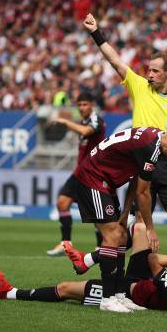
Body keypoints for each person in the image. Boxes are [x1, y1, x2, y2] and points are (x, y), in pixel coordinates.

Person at [84, 14, 167, 277]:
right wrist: (96, 32)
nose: (149, 74)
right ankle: (129, 277)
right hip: (141, 167)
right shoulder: (140, 87)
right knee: (139, 226)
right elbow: (114, 59)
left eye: (155, 70)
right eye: (149, 69)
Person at [0, 221, 167, 313]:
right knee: (140, 228)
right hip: (141, 278)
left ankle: (10, 293)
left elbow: (153, 261)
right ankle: (87, 259)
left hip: (125, 290)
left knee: (67, 289)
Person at [72, 126, 167, 312]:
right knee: (113, 236)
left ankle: (119, 294)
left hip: (106, 182)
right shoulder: (151, 148)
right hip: (92, 179)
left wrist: (126, 210)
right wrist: (150, 229)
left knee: (121, 235)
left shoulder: (156, 141)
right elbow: (143, 193)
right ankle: (107, 299)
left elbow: (136, 179)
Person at [46, 92, 106, 256]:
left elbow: (87, 132)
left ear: (92, 105)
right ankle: (65, 244)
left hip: (94, 174)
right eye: (79, 105)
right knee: (62, 203)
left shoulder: (96, 120)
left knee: (96, 215)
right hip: (80, 172)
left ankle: (101, 248)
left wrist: (65, 121)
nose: (81, 108)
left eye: (85, 104)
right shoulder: (82, 121)